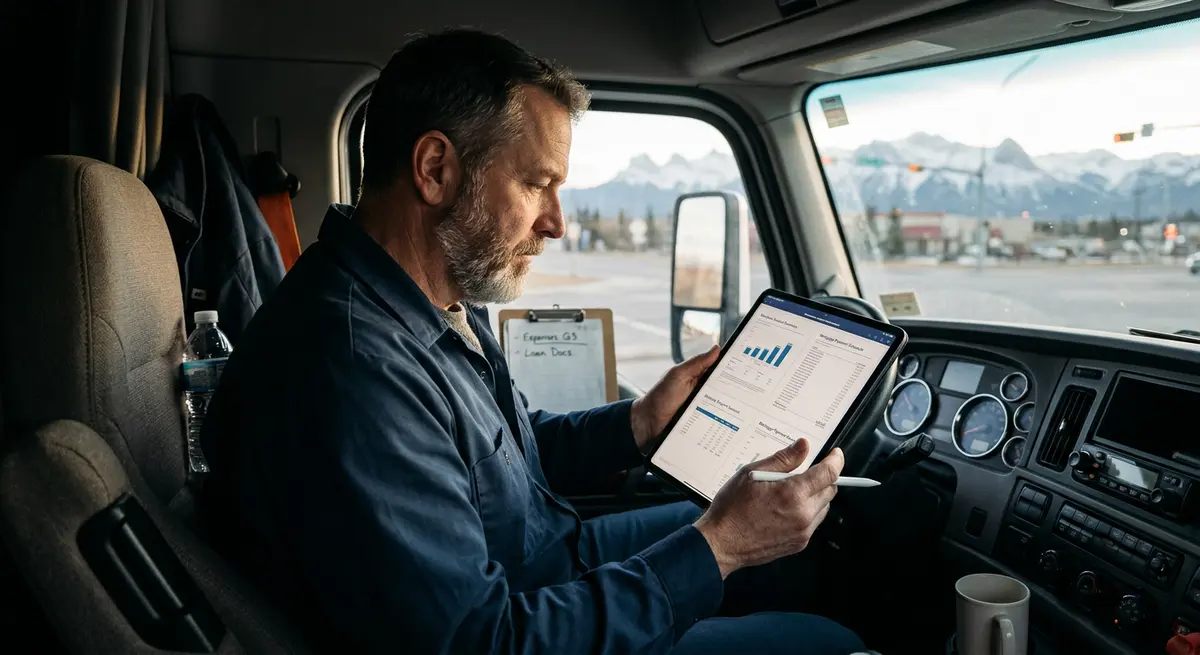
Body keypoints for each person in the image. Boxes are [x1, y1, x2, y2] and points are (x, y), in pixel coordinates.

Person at [199, 28, 865, 655]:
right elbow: (481, 641)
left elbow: (493, 457)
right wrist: (719, 547)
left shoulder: (434, 296)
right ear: (435, 169)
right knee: (822, 640)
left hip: (546, 558)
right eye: (537, 183)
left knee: (794, 553)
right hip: (524, 614)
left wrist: (638, 423)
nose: (556, 223)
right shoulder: (350, 367)